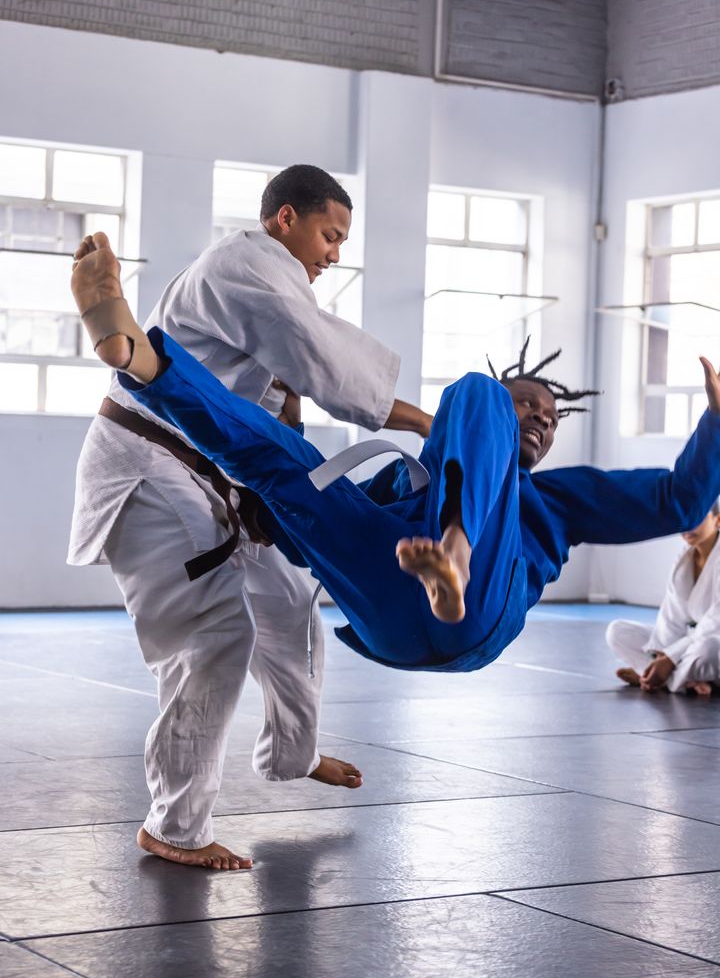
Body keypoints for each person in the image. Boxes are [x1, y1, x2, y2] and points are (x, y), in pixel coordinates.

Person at [71, 233, 720, 689]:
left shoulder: (557, 500)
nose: (540, 420)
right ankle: (138, 356)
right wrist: (286, 492)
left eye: (550, 421)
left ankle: (457, 557)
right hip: (390, 596)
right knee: (291, 462)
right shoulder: (408, 474)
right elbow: (314, 540)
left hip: (477, 610)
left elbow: (681, 502)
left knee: (468, 395)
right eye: (527, 406)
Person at [68, 168, 432, 872]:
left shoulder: (272, 282)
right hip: (149, 465)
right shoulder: (245, 265)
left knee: (292, 603)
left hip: (213, 476)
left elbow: (294, 378)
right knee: (214, 637)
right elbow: (322, 359)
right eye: (330, 235)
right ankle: (173, 828)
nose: (334, 253)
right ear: (284, 219)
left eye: (341, 242)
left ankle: (293, 753)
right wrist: (428, 421)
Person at [606, 505, 720, 695]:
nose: (688, 524)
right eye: (684, 516)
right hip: (690, 643)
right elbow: (671, 615)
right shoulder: (684, 558)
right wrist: (662, 652)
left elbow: (715, 624)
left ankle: (654, 676)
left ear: (717, 520)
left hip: (712, 643)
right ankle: (676, 679)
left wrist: (670, 657)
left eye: (697, 516)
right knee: (618, 632)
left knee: (708, 649)